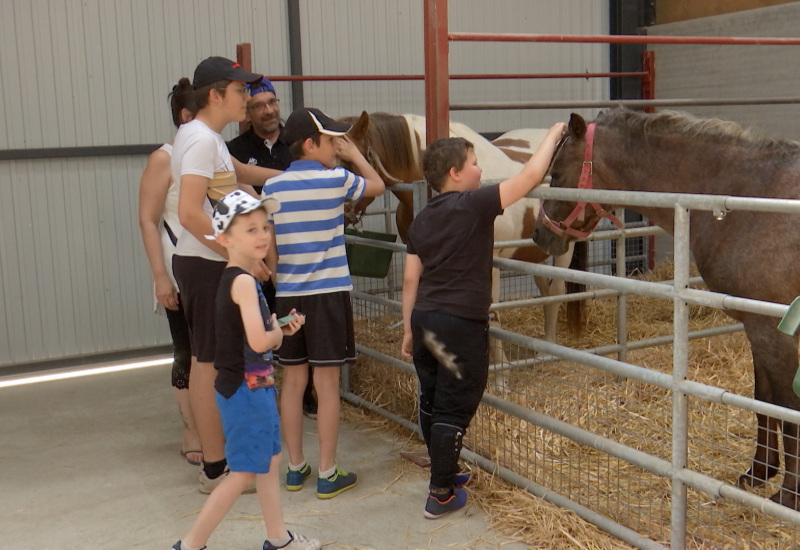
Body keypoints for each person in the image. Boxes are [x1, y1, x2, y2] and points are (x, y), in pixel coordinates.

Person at [400, 124, 567, 519]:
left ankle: (446, 470)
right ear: (455, 174)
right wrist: (554, 135)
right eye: (474, 163)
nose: (480, 170)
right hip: (460, 324)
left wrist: (408, 328)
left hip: (425, 320)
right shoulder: (474, 205)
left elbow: (410, 278)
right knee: (455, 408)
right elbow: (529, 177)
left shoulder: (421, 219)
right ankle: (440, 493)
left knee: (432, 398)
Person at [172, 190, 319, 550]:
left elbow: (255, 335)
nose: (263, 235)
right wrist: (276, 333)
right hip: (246, 392)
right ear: (224, 239)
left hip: (255, 387)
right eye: (250, 229)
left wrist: (277, 329)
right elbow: (258, 340)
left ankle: (277, 538)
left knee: (269, 463)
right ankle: (190, 544)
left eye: (265, 227)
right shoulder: (241, 281)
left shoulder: (239, 279)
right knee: (241, 475)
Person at [171, 56, 284, 493]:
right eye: (240, 91)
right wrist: (238, 252)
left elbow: (238, 175)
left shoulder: (205, 138)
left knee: (212, 358)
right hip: (204, 261)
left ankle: (222, 461)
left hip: (208, 258)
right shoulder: (201, 140)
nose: (249, 98)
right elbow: (188, 212)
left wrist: (292, 177)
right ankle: (216, 467)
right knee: (208, 362)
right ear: (216, 95)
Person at [261, 107, 384, 499]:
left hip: (290, 295)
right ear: (311, 145)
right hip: (328, 294)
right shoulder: (337, 179)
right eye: (332, 141)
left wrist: (281, 283)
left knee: (293, 381)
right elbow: (377, 185)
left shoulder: (273, 189)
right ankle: (328, 472)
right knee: (327, 384)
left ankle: (295, 468)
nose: (337, 147)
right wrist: (355, 156)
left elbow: (272, 250)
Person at [227, 77, 318, 419]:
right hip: (259, 250)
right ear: (247, 113)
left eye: (272, 102)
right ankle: (260, 391)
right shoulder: (234, 150)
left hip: (298, 245)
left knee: (298, 320)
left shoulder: (295, 145)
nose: (268, 110)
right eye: (259, 105)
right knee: (258, 325)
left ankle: (304, 395)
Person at [138, 78, 202, 466]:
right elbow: (148, 220)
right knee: (187, 349)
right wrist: (160, 276)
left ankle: (212, 424)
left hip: (212, 267)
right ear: (186, 115)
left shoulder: (212, 152)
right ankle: (190, 430)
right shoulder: (164, 158)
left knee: (211, 351)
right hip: (178, 266)